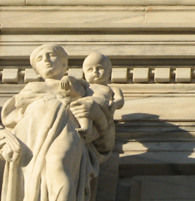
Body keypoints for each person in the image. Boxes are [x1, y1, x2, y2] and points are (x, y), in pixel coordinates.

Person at [1, 44, 114, 201]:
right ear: (36, 70)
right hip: (30, 134)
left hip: (66, 127)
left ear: (64, 63)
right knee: (30, 178)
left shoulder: (83, 88)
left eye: (51, 55)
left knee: (58, 164)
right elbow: (9, 117)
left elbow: (105, 139)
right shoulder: (30, 89)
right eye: (40, 58)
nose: (46, 60)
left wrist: (96, 115)